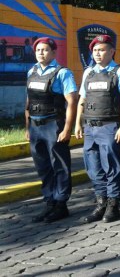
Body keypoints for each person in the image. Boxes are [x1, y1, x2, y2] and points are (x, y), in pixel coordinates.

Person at [74, 35, 120, 223]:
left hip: (109, 126)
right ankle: (100, 203)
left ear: (111, 51)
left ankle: (113, 205)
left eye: (102, 50)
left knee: (112, 167)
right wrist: (78, 123)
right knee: (93, 168)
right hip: (90, 127)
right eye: (95, 50)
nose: (97, 54)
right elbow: (82, 100)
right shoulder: (89, 73)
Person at [25, 37, 78, 223]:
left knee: (59, 166)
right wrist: (27, 127)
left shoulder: (63, 73)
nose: (41, 52)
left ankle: (61, 204)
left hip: (54, 125)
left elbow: (72, 101)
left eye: (45, 49)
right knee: (43, 167)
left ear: (54, 53)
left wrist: (67, 128)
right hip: (36, 126)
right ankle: (49, 202)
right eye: (38, 49)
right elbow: (29, 101)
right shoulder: (31, 71)